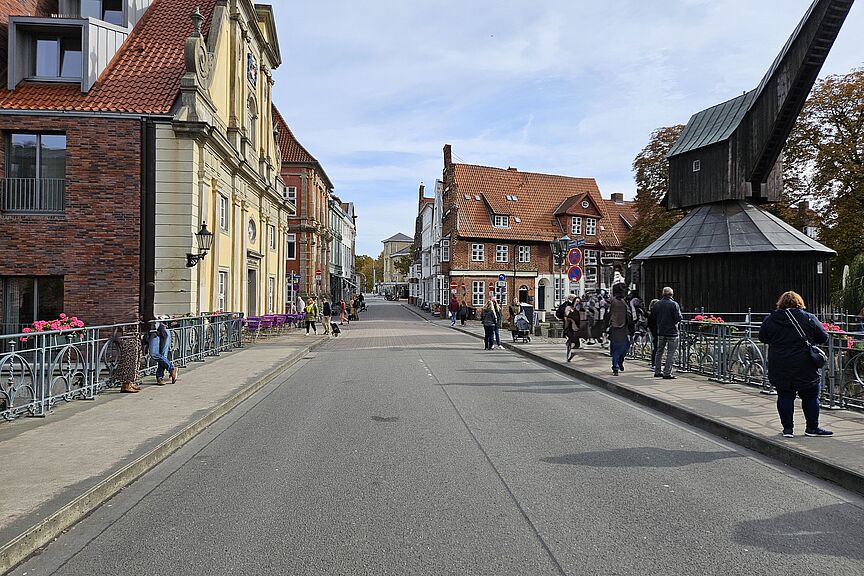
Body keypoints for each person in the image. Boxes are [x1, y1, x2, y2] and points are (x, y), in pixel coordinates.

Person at [759, 291, 832, 438]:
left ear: (781, 303)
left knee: (785, 396)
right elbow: (823, 337)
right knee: (810, 396)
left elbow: (762, 337)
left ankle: (788, 429)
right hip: (805, 363)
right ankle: (812, 427)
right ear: (799, 303)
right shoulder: (808, 318)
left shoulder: (771, 319)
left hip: (780, 363)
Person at [652, 287, 683, 379]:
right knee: (670, 352)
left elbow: (653, 317)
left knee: (659, 351)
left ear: (663, 294)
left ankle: (657, 371)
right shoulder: (674, 304)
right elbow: (678, 318)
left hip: (661, 331)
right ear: (672, 294)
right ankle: (667, 372)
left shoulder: (657, 304)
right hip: (672, 332)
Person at [148, 315, 177, 385]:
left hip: (161, 329)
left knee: (160, 354)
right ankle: (171, 369)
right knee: (156, 354)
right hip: (153, 330)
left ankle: (160, 376)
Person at [608, 289, 630, 375]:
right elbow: (629, 316)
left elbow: (608, 316)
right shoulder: (624, 303)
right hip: (622, 330)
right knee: (623, 348)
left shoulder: (614, 303)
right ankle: (617, 364)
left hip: (615, 330)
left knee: (616, 350)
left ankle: (616, 366)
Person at [115, 323, 141, 393]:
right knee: (129, 360)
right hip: (127, 335)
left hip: (133, 334)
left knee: (135, 360)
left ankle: (130, 383)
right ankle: (126, 385)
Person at [562, 294, 579, 362]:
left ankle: (571, 355)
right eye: (576, 301)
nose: (578, 303)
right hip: (570, 328)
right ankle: (569, 355)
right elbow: (566, 317)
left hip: (577, 328)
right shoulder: (569, 308)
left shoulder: (580, 309)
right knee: (571, 341)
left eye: (579, 302)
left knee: (575, 344)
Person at [646, 299, 660, 371]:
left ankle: (655, 363)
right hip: (655, 332)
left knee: (656, 348)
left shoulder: (651, 313)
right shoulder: (653, 314)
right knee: (656, 348)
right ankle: (654, 363)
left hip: (654, 331)